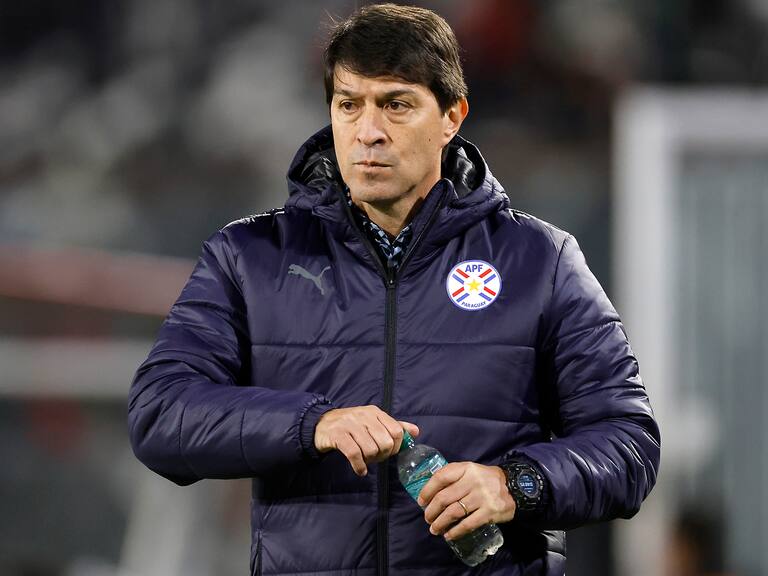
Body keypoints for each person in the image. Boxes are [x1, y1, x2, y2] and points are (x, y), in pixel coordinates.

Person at [127, 4, 661, 575]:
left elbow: (628, 442)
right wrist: (310, 424)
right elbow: (160, 412)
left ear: (452, 116)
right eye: (349, 105)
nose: (368, 132)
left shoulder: (540, 261)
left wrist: (517, 484)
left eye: (396, 105)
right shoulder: (251, 257)